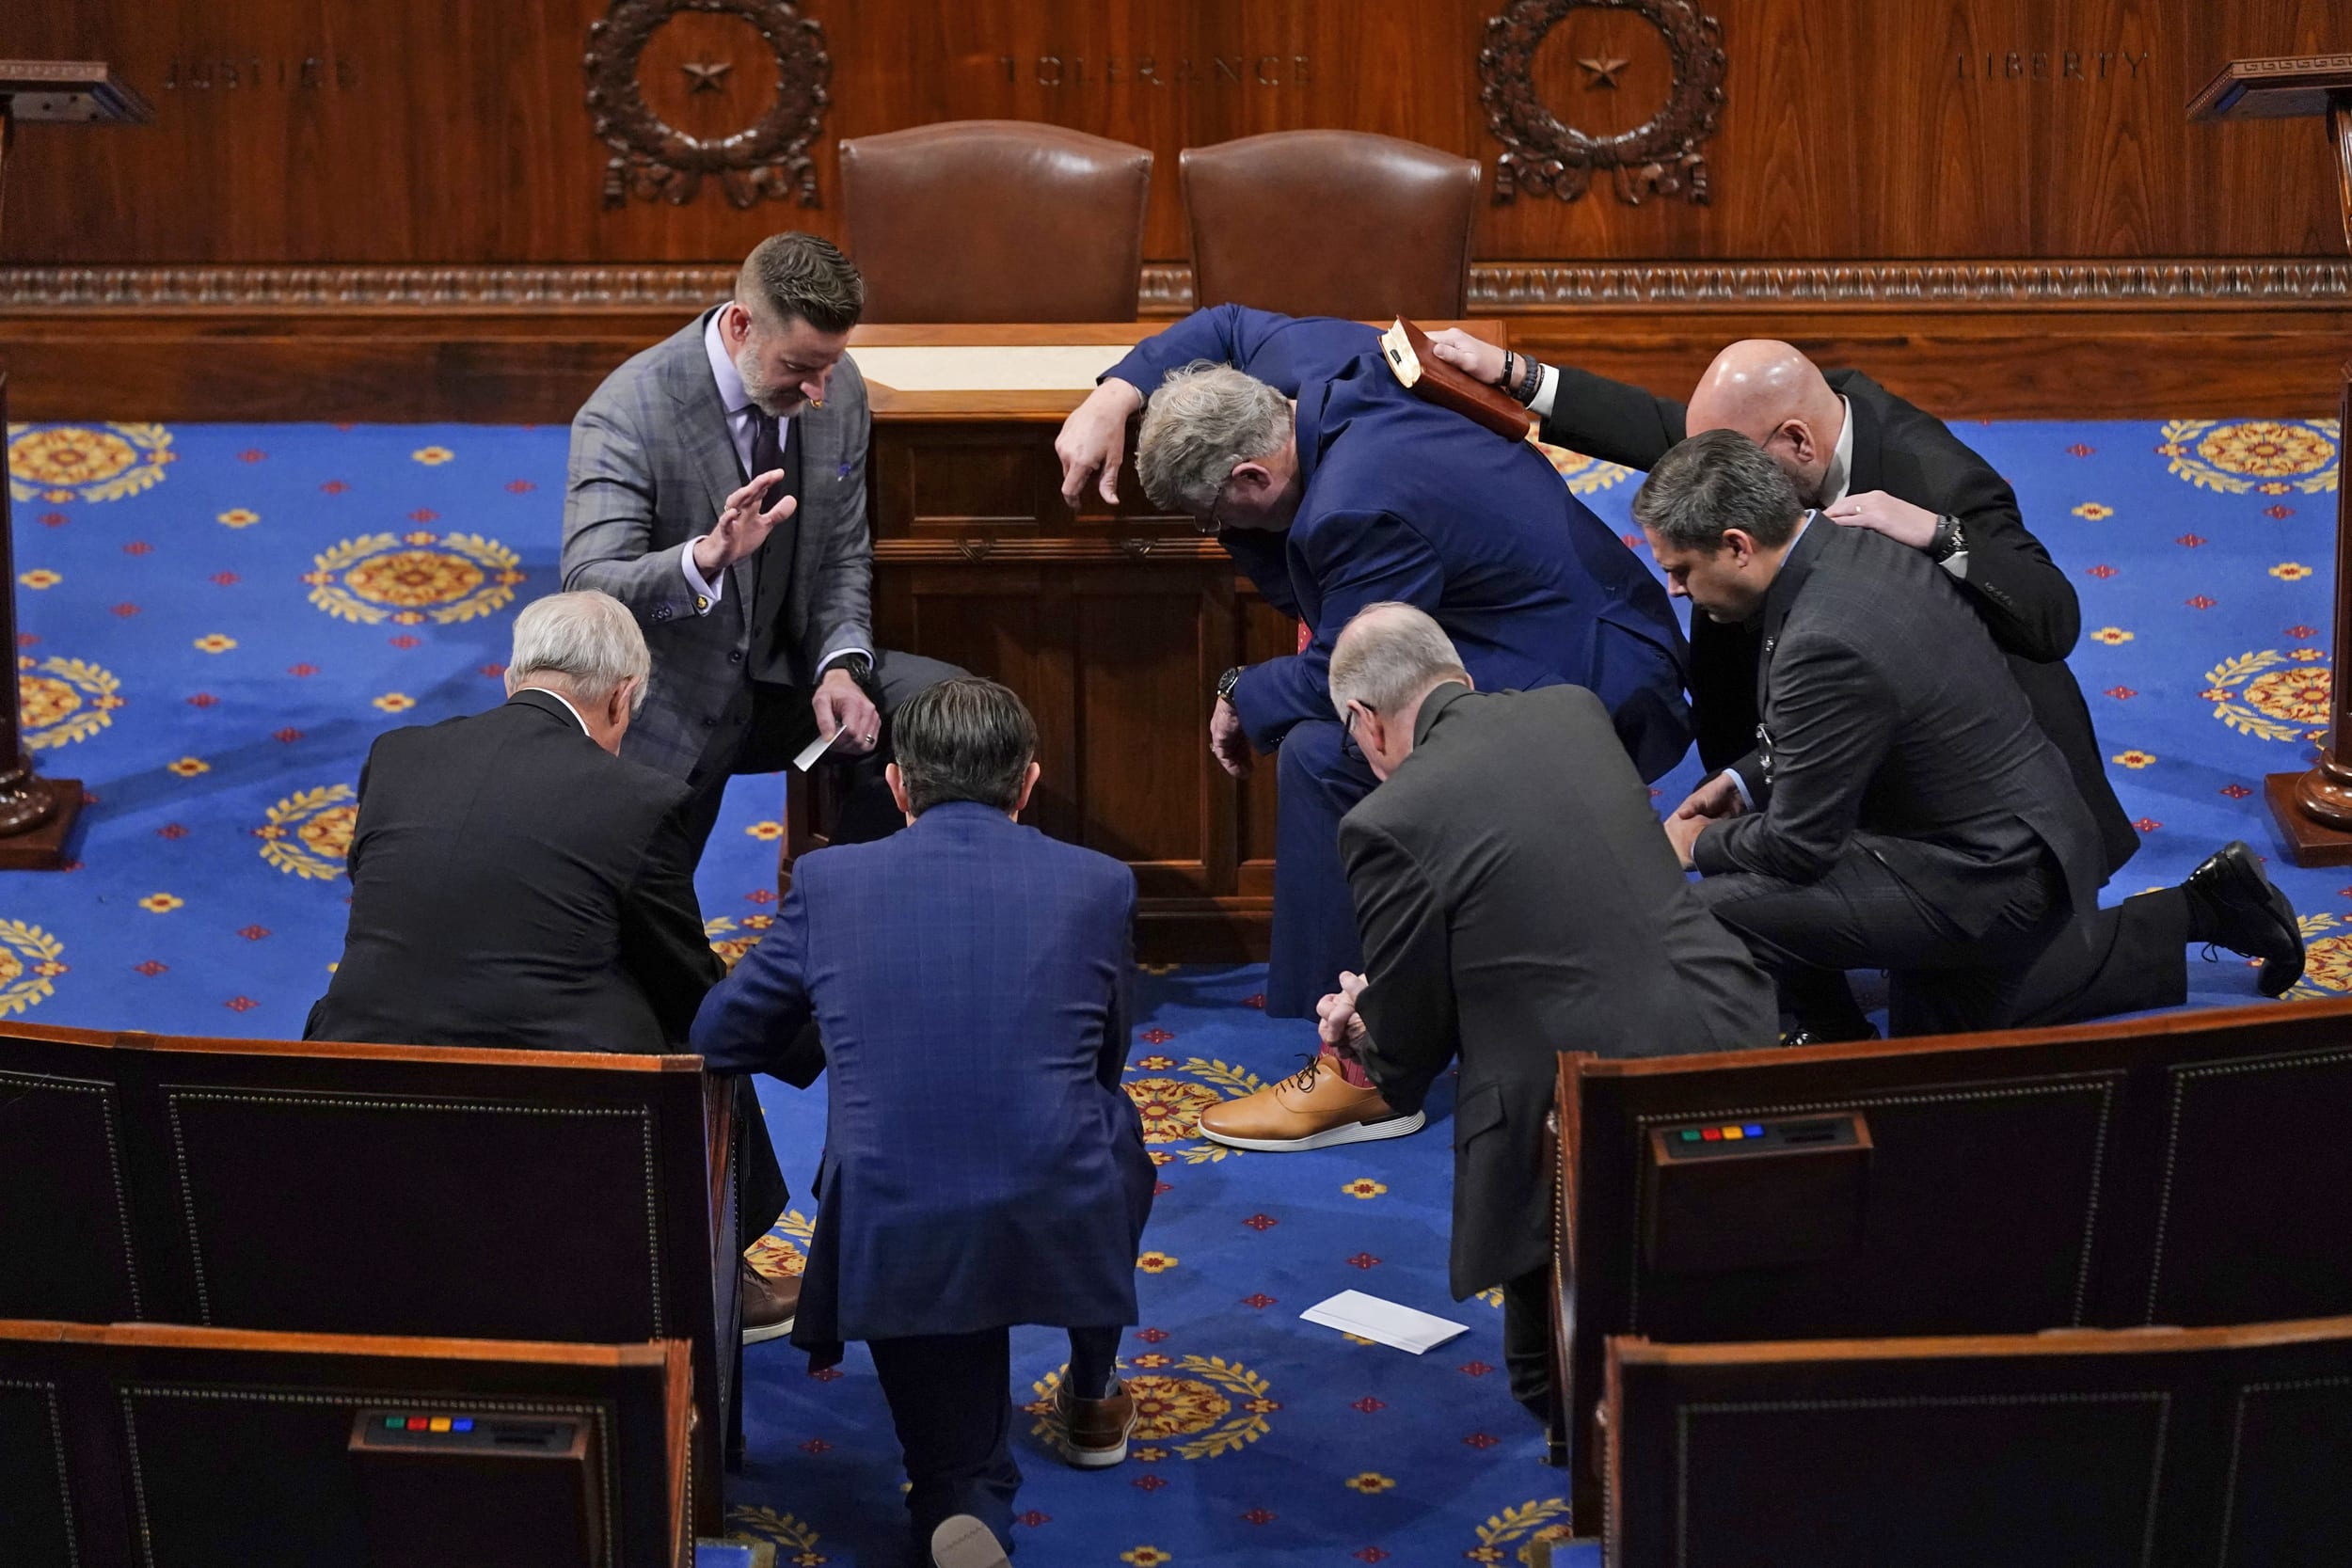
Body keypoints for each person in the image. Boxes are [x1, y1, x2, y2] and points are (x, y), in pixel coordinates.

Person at [1430, 330, 2306, 1027]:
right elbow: (1677, 438)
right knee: (1931, 995)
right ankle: (1837, 1001)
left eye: (1691, 568)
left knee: (1932, 992)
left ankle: (1851, 1022)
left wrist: (1940, 537)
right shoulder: (1767, 449)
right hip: (1859, 735)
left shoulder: (1928, 477)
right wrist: (1516, 374)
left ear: (1798, 447)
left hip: (1987, 764)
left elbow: (2051, 616)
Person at [1206, 602, 1775, 1424]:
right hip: (1735, 1026)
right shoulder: (1574, 709)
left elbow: (1404, 1061)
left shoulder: (1384, 822)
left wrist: (1361, 1016)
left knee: (1550, 1381)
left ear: (1363, 721)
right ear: (1460, 678)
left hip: (1580, 1110)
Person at [1057, 304, 1692, 1017]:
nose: (1217, 534)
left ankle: (1352, 1033)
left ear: (1252, 476)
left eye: (1212, 518)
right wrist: (1116, 392)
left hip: (1593, 677)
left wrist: (1239, 688)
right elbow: (1228, 324)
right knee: (1325, 743)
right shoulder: (1306, 367)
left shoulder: (1355, 511)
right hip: (1561, 605)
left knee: (1322, 753)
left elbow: (1347, 671)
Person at [690, 677, 1154, 1563]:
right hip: (1061, 1187)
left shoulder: (829, 881)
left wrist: (836, 1011)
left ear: (899, 786)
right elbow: (1107, 1058)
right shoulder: (1100, 884)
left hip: (897, 1211)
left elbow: (720, 1034)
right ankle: (1093, 1388)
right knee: (1115, 1130)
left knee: (955, 1468)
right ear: (1028, 785)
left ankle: (959, 1495)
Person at [1638, 431, 2301, 1035]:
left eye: (1681, 569)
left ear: (1736, 545)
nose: (1673, 588)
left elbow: (1799, 847)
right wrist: (1742, 780)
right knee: (1951, 1016)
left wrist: (1702, 842)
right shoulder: (1854, 542)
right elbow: (1856, 717)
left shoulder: (1820, 637)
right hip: (2010, 829)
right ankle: (2207, 908)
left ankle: (1831, 1047)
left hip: (1989, 874)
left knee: (1719, 912)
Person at [306, 591, 800, 1339]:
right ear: (623, 698)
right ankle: (721, 1272)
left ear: (512, 677)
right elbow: (690, 987)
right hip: (557, 1096)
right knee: (691, 1016)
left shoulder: (397, 756)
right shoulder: (640, 798)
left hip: (355, 1056)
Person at [562, 230, 962, 857]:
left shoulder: (839, 387)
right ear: (742, 325)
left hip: (787, 685)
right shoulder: (628, 411)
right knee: (647, 936)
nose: (819, 390)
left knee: (953, 717)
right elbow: (587, 587)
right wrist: (704, 560)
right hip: (670, 701)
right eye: (801, 367)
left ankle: (846, 906)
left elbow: (842, 556)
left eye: (830, 364)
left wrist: (840, 667)